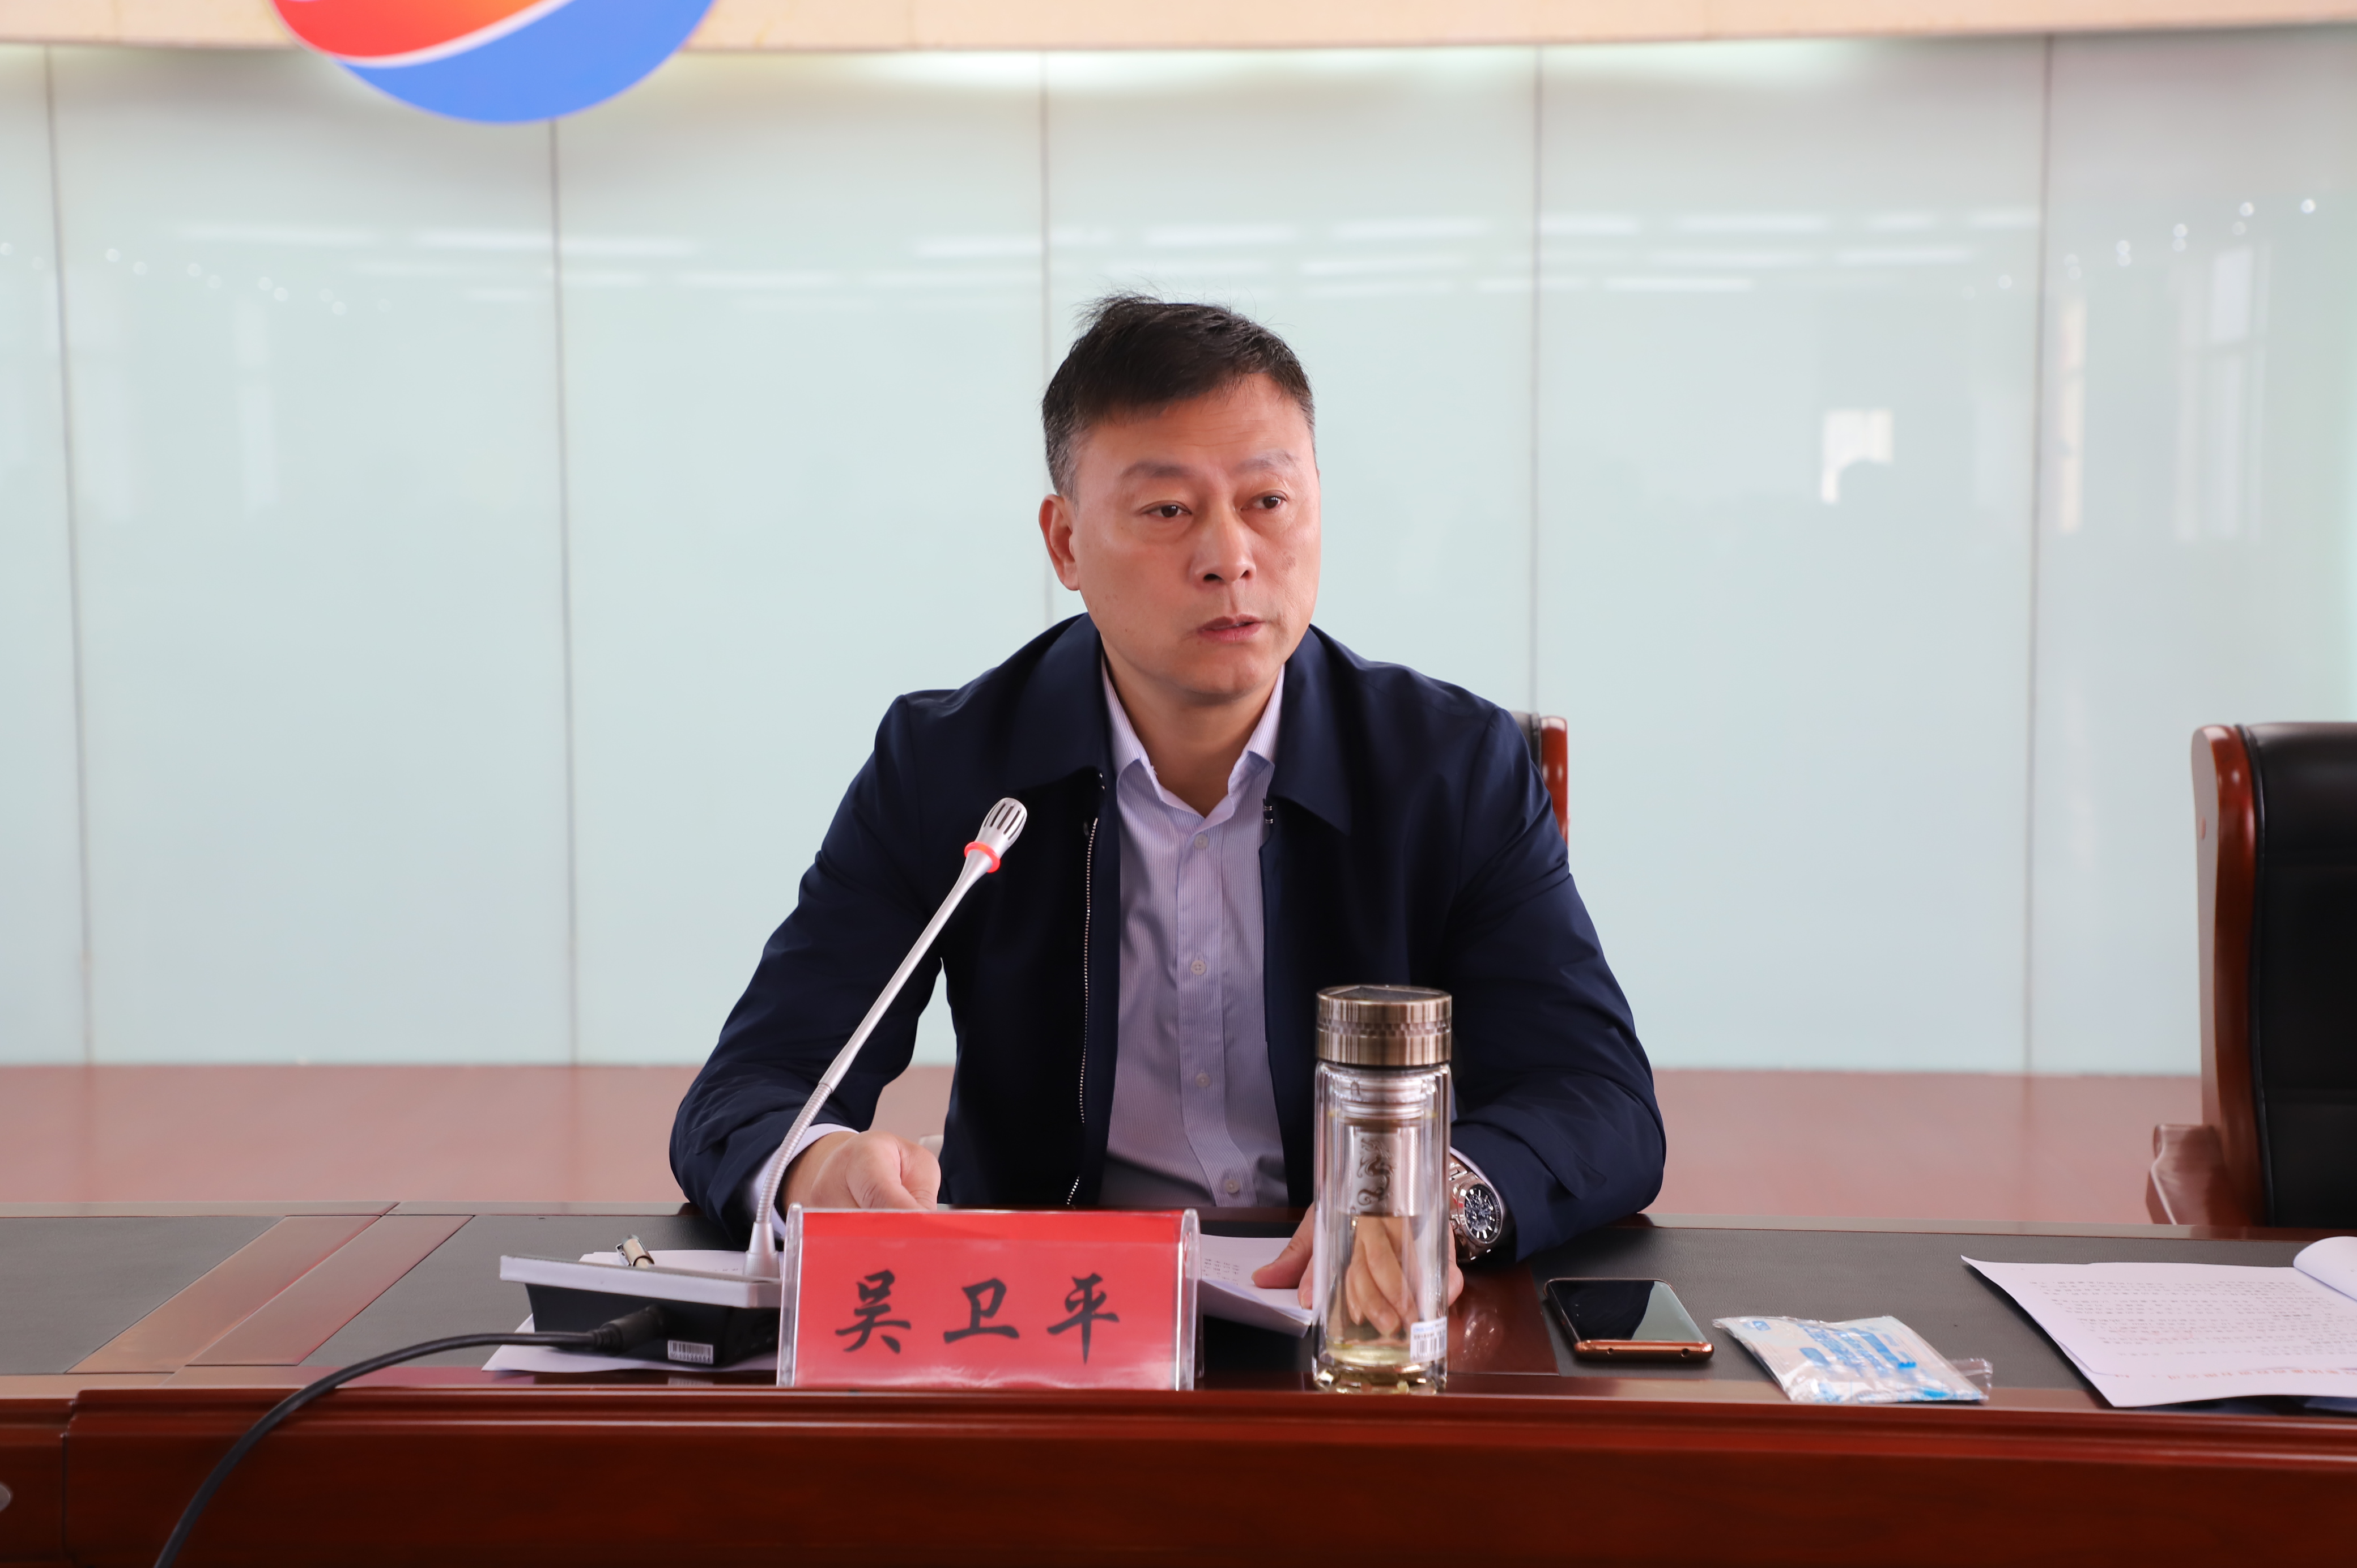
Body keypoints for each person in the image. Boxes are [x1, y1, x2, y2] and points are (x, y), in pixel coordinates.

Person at [670, 295, 1662, 1318]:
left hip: (1358, 1329)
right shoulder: (950, 767)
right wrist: (817, 1169)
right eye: (1167, 511)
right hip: (1044, 1332)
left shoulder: (1452, 768)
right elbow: (755, 1086)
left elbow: (1599, 1102)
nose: (1229, 555)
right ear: (1065, 544)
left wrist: (1433, 1203)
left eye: (1268, 501)